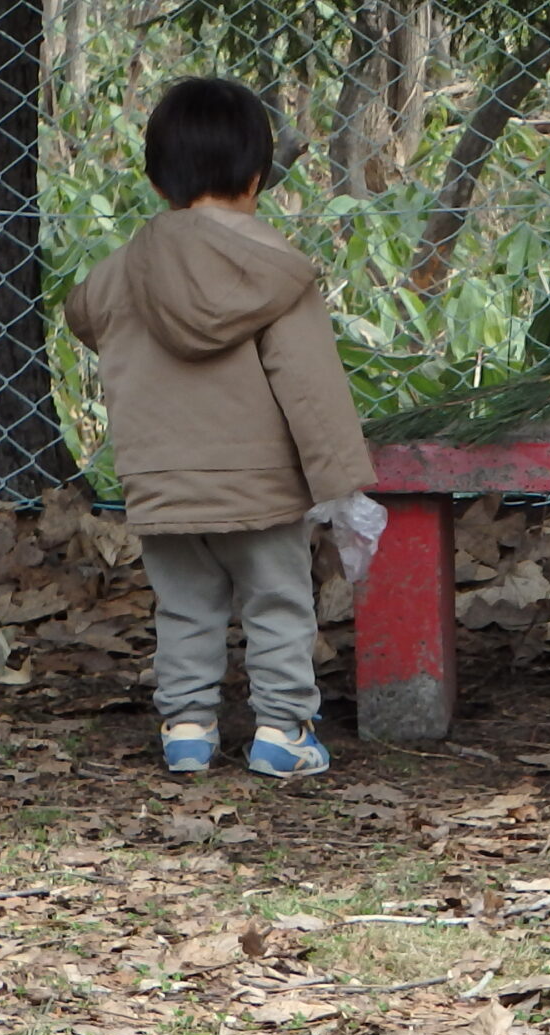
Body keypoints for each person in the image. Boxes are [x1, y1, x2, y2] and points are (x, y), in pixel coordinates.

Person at [66, 77, 375, 780]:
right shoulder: (276, 273)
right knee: (276, 602)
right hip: (260, 483)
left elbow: (82, 313)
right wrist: (340, 483)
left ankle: (186, 727)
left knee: (185, 606)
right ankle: (281, 728)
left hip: (163, 479)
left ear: (156, 178)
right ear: (258, 174)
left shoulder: (124, 270)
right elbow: (311, 387)